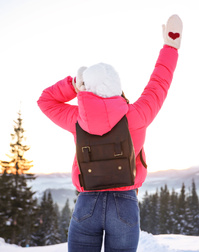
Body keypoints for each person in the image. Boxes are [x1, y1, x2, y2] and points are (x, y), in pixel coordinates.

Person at [37, 14, 182, 252]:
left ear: (87, 89)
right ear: (117, 88)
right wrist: (170, 47)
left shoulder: (77, 120)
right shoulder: (137, 115)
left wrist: (73, 85)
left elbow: (46, 101)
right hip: (124, 204)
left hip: (87, 203)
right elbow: (159, 82)